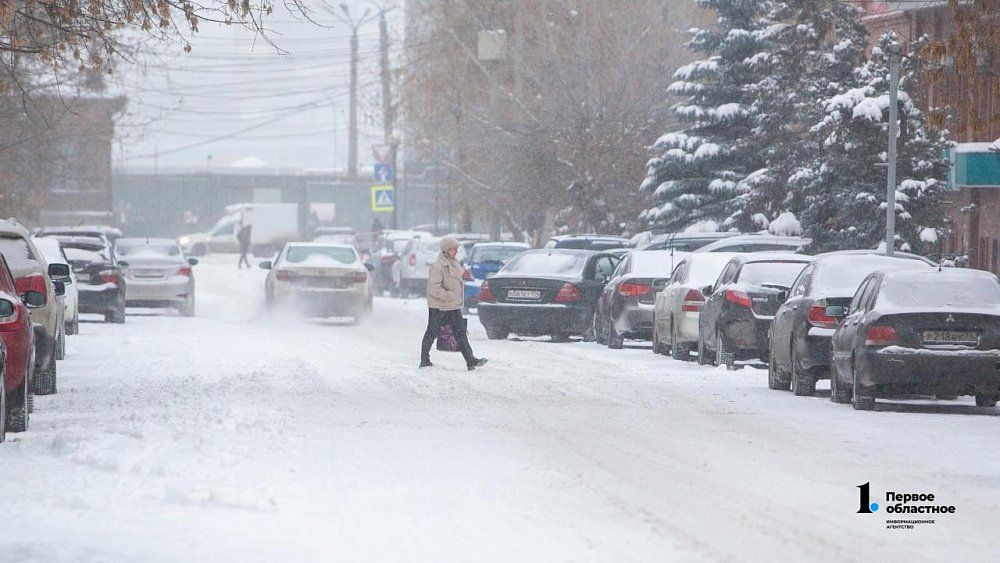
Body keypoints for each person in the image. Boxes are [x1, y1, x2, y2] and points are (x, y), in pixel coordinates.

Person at [420, 236, 487, 370]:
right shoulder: (438, 266)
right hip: (439, 306)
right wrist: (448, 296)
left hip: (453, 306)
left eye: (456, 249)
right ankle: (424, 360)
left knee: (460, 332)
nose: (456, 251)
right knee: (432, 331)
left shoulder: (455, 263)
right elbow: (434, 288)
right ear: (446, 250)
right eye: (453, 249)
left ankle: (470, 360)